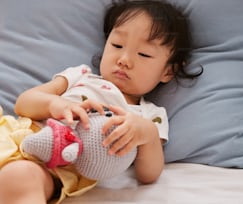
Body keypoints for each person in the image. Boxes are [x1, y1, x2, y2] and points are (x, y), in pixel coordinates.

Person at [0, 0, 202, 203]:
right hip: (12, 136)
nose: (124, 59)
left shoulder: (148, 116)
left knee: (21, 177)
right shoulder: (80, 75)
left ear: (168, 71)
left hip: (53, 167)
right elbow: (23, 103)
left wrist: (146, 134)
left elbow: (148, 175)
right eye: (117, 45)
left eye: (144, 54)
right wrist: (56, 105)